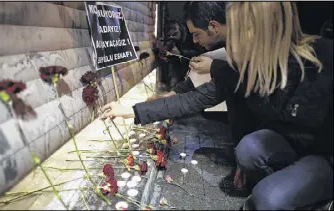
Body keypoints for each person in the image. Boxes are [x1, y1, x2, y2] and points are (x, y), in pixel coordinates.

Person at [102, 2, 333, 210]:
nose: (229, 41)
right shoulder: (247, 70)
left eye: (236, 30)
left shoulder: (324, 59)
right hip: (289, 145)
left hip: (324, 156)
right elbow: (194, 99)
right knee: (248, 150)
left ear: (262, 31)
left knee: (266, 200)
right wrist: (132, 111)